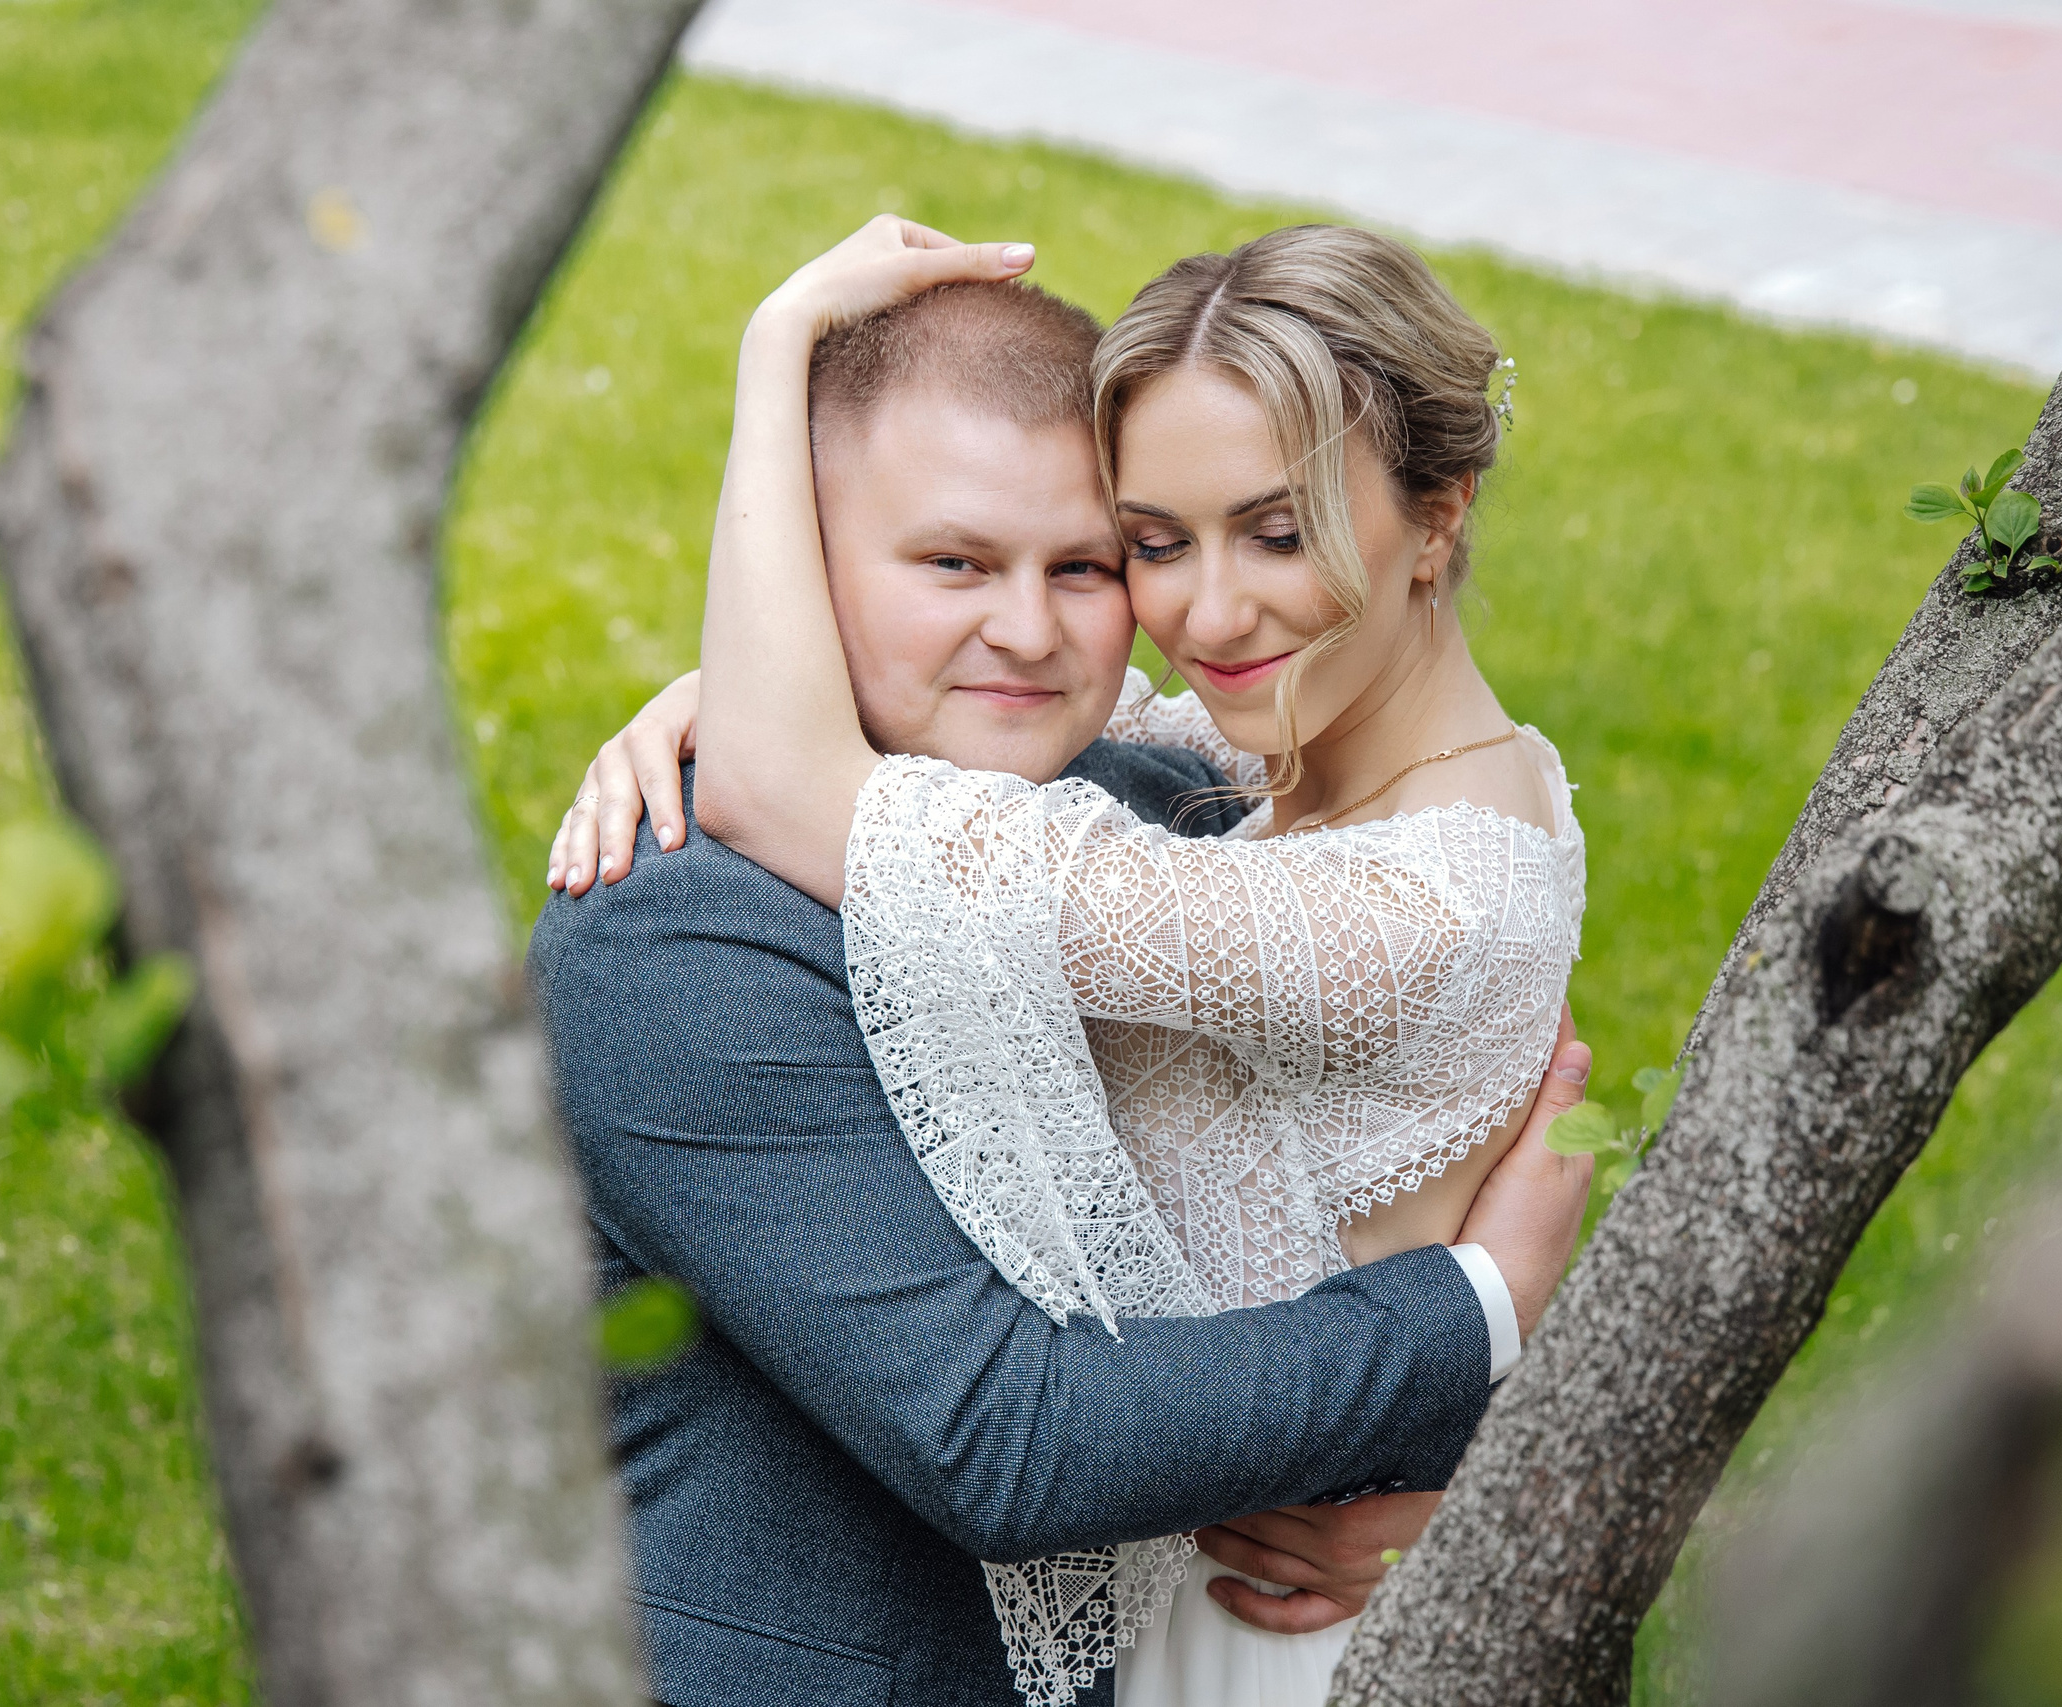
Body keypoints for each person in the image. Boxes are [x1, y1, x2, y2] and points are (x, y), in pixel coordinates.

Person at [528, 268, 1595, 1707]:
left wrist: (1452, 1470)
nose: (1030, 635)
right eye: (954, 564)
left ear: (1440, 513)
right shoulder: (676, 939)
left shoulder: (1175, 816)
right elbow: (1012, 1439)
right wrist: (1478, 1303)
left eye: (1087, 567)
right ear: (809, 573)